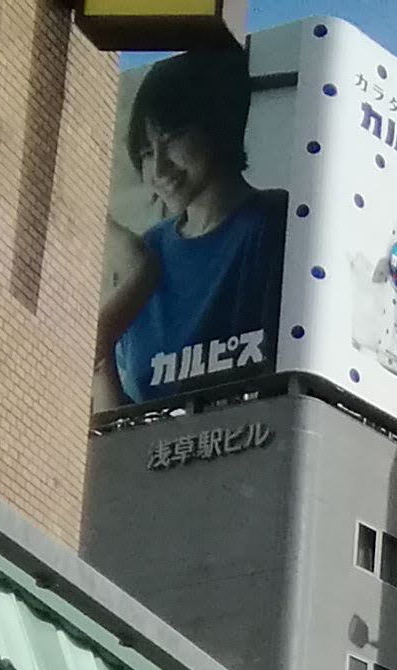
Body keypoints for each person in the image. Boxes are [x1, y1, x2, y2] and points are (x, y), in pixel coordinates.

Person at [95, 43, 289, 412]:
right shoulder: (147, 252)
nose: (159, 168)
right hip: (149, 449)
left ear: (216, 123)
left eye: (172, 139)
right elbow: (114, 420)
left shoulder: (274, 221)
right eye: (146, 152)